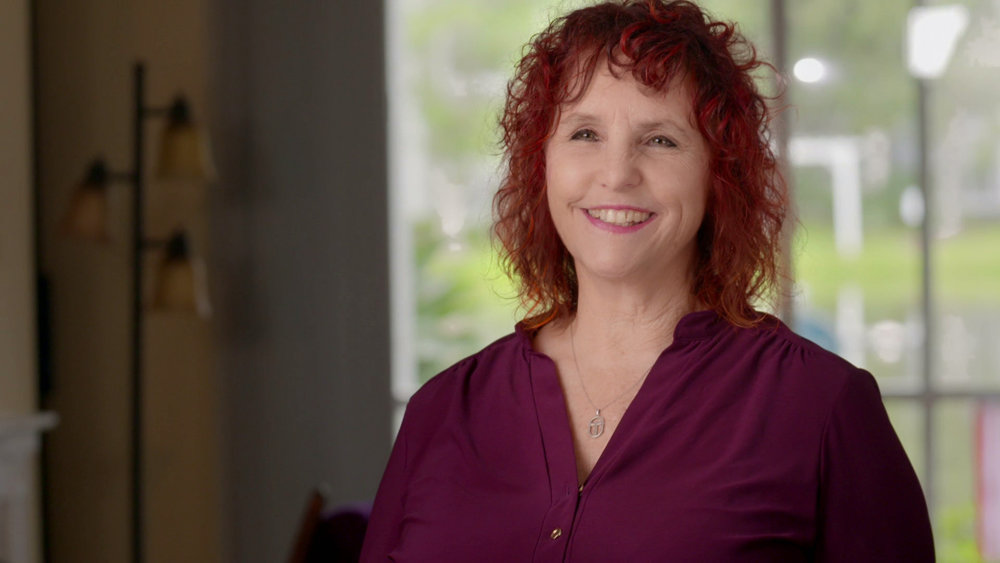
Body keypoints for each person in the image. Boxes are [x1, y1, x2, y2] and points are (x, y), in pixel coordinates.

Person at [361, 0, 935, 560]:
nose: (616, 175)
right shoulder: (443, 410)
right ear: (542, 163)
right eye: (585, 134)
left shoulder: (820, 406)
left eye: (661, 139)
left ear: (719, 174)